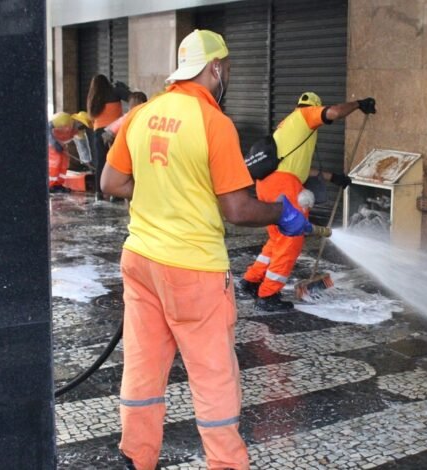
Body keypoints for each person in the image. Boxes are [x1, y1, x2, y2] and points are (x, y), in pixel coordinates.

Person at [100, 29, 311, 470]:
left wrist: (162, 189)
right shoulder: (214, 123)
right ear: (215, 68)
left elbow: (111, 183)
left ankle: (135, 457)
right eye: (227, 67)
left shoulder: (144, 113)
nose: (227, 74)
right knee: (214, 376)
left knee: (142, 366)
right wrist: (281, 212)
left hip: (141, 261)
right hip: (193, 270)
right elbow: (236, 208)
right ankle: (226, 464)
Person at [239, 91, 377, 311]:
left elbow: (301, 168)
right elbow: (334, 112)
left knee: (276, 239)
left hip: (267, 184)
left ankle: (251, 280)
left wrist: (334, 177)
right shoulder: (304, 115)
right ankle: (267, 294)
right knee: (290, 241)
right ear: (313, 106)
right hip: (284, 187)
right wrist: (359, 104)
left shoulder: (288, 126)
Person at [87, 73, 130, 201]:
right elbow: (132, 98)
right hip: (113, 132)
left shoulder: (92, 97)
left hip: (98, 133)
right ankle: (116, 194)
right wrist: (124, 88)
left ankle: (99, 193)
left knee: (101, 162)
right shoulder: (114, 91)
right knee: (116, 162)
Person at [47, 112, 89, 193]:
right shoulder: (64, 119)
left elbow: (82, 146)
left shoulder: (78, 131)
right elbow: (47, 129)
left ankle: (58, 184)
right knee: (55, 162)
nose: (81, 128)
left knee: (64, 163)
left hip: (61, 145)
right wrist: (54, 143)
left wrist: (86, 161)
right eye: (81, 125)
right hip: (51, 143)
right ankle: (50, 185)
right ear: (77, 121)